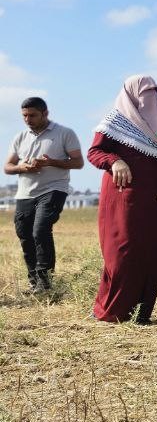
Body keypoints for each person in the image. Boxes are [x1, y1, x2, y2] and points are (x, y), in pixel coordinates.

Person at [87, 76, 157, 323]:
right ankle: (112, 312)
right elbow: (94, 152)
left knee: (150, 253)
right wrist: (114, 161)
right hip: (123, 200)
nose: (148, 99)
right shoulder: (115, 121)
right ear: (129, 94)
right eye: (143, 93)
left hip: (156, 202)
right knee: (122, 254)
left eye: (153, 93)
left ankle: (140, 314)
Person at [4, 97, 83, 293]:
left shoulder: (65, 133)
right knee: (24, 235)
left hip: (54, 189)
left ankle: (45, 283)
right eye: (24, 115)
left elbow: (78, 162)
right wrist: (22, 167)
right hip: (25, 193)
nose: (27, 119)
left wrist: (51, 162)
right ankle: (34, 283)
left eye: (32, 115)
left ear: (45, 113)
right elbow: (7, 166)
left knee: (40, 230)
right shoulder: (20, 137)